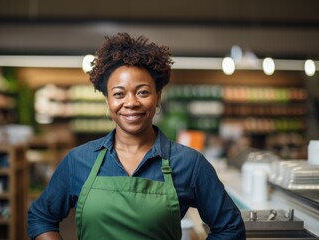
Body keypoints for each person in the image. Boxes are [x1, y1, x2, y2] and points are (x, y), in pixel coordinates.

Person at [27, 32, 246, 240]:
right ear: (107, 101)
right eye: (119, 94)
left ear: (158, 97)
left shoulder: (189, 164)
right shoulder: (79, 161)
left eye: (142, 92)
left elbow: (230, 227)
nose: (131, 102)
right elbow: (41, 217)